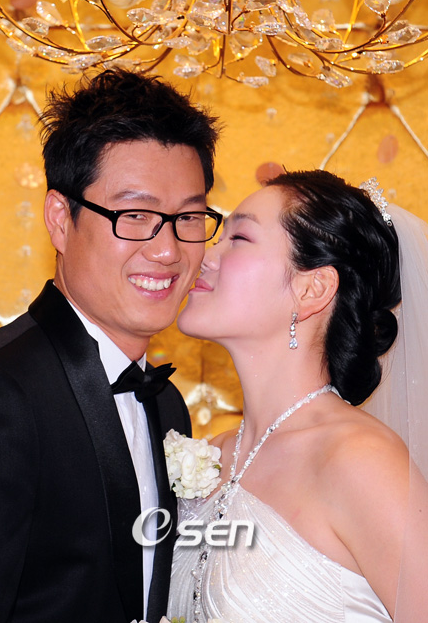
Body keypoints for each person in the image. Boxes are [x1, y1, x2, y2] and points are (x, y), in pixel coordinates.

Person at [0, 68, 222, 623]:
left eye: (188, 217)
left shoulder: (166, 403)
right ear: (60, 219)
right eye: (135, 215)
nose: (168, 251)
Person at [167, 169, 428, 622]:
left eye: (239, 239)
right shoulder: (209, 459)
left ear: (312, 289)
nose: (204, 257)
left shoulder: (359, 461)